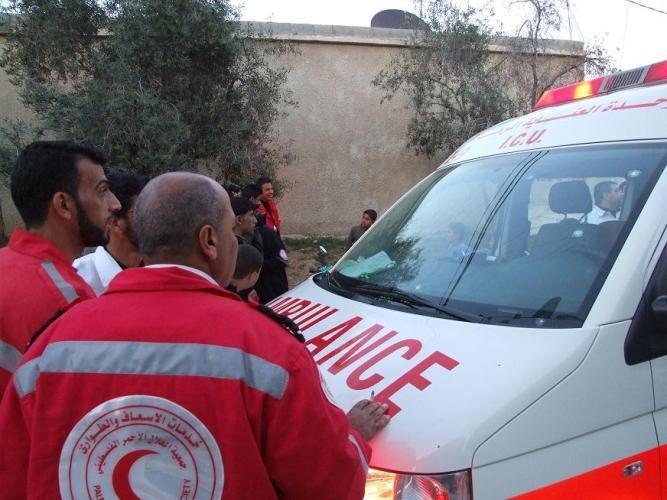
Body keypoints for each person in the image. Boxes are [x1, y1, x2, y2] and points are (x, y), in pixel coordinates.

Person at [0, 172, 390, 499]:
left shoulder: (49, 348)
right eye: (231, 232)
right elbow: (328, 486)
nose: (236, 243)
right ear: (209, 241)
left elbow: (12, 479)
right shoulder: (268, 351)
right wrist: (352, 437)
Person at [0, 141, 120, 392]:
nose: (115, 204)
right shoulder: (66, 301)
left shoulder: (7, 263)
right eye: (102, 190)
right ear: (63, 205)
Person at [73, 170, 148, 295]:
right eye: (143, 212)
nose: (153, 220)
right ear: (115, 223)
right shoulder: (80, 278)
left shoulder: (163, 269)